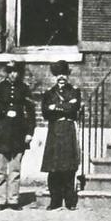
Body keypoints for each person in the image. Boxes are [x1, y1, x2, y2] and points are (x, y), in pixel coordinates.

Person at [0, 61, 35, 210]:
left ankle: (13, 200)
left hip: (18, 134)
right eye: (10, 71)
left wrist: (29, 133)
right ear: (7, 73)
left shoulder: (24, 89)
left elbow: (31, 113)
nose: (13, 74)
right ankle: (1, 201)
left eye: (16, 72)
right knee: (1, 170)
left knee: (15, 169)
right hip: (1, 133)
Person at [40, 63, 81, 210]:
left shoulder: (75, 92)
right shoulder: (49, 93)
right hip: (54, 131)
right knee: (54, 168)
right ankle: (55, 201)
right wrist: (64, 106)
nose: (61, 77)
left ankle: (69, 201)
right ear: (55, 77)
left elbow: (74, 109)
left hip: (68, 130)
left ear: (68, 76)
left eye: (64, 74)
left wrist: (55, 107)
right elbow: (45, 112)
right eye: (58, 74)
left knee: (69, 168)